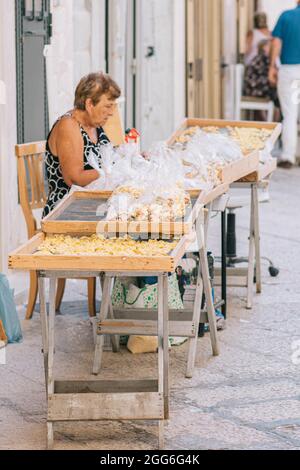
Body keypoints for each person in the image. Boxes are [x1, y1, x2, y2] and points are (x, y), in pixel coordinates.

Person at [42, 72, 121, 217]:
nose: (111, 112)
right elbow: (74, 179)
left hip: (94, 206)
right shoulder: (68, 126)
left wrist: (130, 158)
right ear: (90, 104)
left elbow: (107, 159)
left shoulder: (94, 124)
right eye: (108, 106)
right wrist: (114, 171)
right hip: (67, 211)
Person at [269, 1, 300, 169]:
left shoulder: (286, 16)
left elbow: (276, 43)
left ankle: (288, 156)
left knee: (290, 114)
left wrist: (272, 68)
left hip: (289, 71)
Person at [244, 39, 280, 120]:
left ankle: (272, 122)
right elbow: (270, 77)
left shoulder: (260, 58)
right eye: (270, 46)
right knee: (279, 97)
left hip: (254, 88)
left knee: (278, 96)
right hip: (256, 89)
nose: (272, 48)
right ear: (264, 47)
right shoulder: (264, 58)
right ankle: (274, 123)